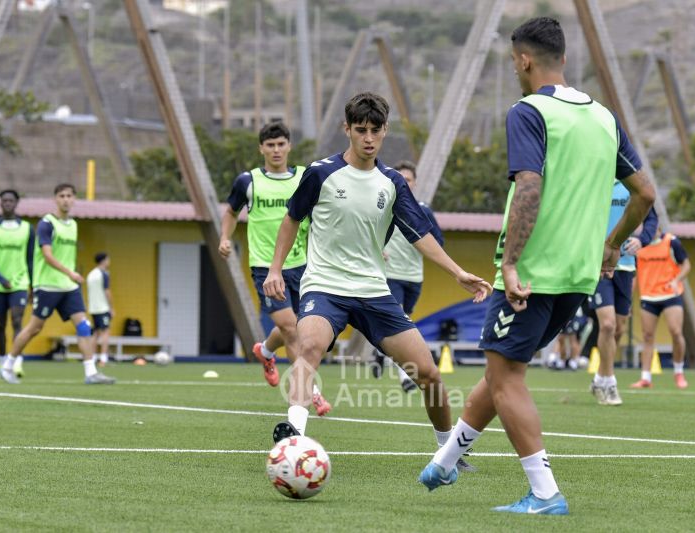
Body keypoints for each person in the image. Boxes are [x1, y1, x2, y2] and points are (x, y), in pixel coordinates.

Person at [418, 17, 656, 515]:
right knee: (503, 368)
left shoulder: (529, 111)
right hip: (577, 276)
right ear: (563, 58)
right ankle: (445, 461)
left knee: (506, 377)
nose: (514, 68)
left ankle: (545, 493)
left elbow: (528, 185)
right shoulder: (604, 118)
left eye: (513, 61)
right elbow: (645, 194)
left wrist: (509, 263)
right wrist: (613, 245)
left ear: (524, 60)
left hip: (531, 273)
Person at [263, 92, 492, 452]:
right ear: (347, 129)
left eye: (375, 130)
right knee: (308, 346)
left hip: (373, 290)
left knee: (428, 373)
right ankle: (293, 436)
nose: (368, 138)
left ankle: (450, 452)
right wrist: (275, 269)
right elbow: (292, 219)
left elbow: (419, 232)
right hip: (325, 286)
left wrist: (457, 272)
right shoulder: (320, 173)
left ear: (385, 131)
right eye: (360, 130)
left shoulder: (393, 183)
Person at [219, 122, 331, 416]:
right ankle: (311, 392)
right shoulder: (248, 181)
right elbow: (230, 212)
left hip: (302, 266)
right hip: (266, 269)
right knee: (293, 331)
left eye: (281, 144)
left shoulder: (304, 179)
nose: (276, 150)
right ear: (261, 149)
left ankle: (266, 351)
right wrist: (224, 238)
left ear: (289, 146)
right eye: (270, 145)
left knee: (296, 328)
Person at [0, 184, 116, 385]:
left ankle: (91, 372)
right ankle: (8, 365)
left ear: (74, 199)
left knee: (84, 326)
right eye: (61, 196)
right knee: (34, 329)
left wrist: (71, 275)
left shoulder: (73, 225)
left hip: (69, 287)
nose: (65, 199)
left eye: (69, 196)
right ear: (55, 199)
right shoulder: (47, 223)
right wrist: (71, 273)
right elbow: (47, 255)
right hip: (47, 285)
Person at [371, 160, 444, 393]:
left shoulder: (423, 210)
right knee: (402, 323)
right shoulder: (383, 205)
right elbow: (367, 232)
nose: (405, 183)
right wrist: (377, 248)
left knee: (402, 323)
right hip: (391, 275)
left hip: (414, 277)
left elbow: (438, 241)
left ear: (415, 183)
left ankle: (379, 352)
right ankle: (405, 376)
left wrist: (422, 241)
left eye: (409, 180)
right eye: (401, 179)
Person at [588, 185, 658, 406]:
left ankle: (599, 378)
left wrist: (642, 239)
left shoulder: (631, 183)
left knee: (618, 329)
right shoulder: (596, 179)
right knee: (607, 325)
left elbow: (651, 216)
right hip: (597, 265)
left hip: (626, 266)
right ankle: (609, 383)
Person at [630, 228, 691, 389]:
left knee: (676, 332)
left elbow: (686, 265)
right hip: (648, 297)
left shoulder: (671, 242)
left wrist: (677, 280)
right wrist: (628, 300)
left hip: (671, 294)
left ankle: (678, 372)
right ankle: (645, 378)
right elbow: (634, 274)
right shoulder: (637, 245)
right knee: (647, 336)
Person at [0, 190, 34, 378]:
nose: (7, 203)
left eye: (11, 201)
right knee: (1, 325)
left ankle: (16, 362)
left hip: (20, 283)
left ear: (17, 203)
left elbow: (30, 260)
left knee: (17, 320)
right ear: (0, 203)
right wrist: (1, 278)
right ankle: (2, 362)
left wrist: (33, 286)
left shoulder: (27, 228)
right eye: (4, 200)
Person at [86, 252, 113, 366]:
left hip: (93, 308)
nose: (109, 262)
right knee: (105, 332)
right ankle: (103, 358)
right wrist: (111, 307)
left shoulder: (91, 274)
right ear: (104, 261)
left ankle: (91, 358)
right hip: (102, 308)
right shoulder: (104, 274)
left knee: (95, 334)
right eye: (108, 259)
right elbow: (107, 291)